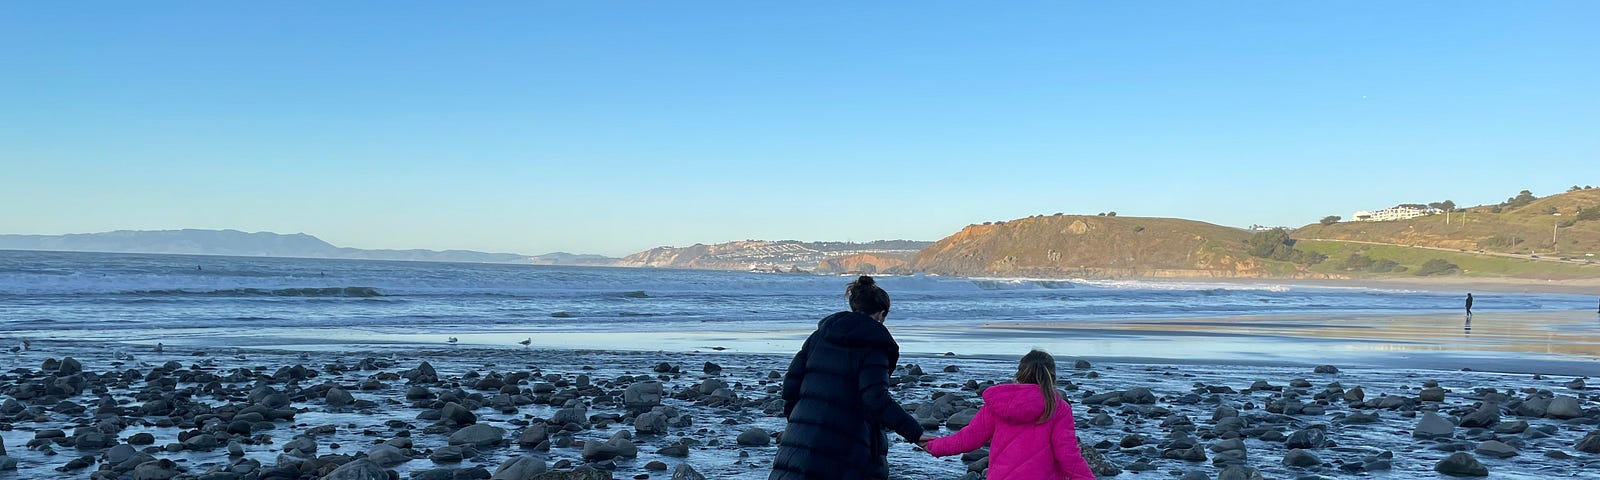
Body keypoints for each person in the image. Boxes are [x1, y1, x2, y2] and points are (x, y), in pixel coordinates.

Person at [770, 276, 927, 480]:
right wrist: (915, 433)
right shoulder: (874, 344)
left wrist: (799, 419)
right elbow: (875, 398)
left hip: (802, 436)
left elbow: (791, 382)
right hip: (847, 441)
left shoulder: (820, 336)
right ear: (881, 314)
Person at [922, 350, 1096, 480]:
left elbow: (968, 439)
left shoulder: (999, 403)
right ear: (1052, 376)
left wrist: (934, 446)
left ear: (1018, 374)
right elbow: (1068, 456)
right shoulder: (1057, 407)